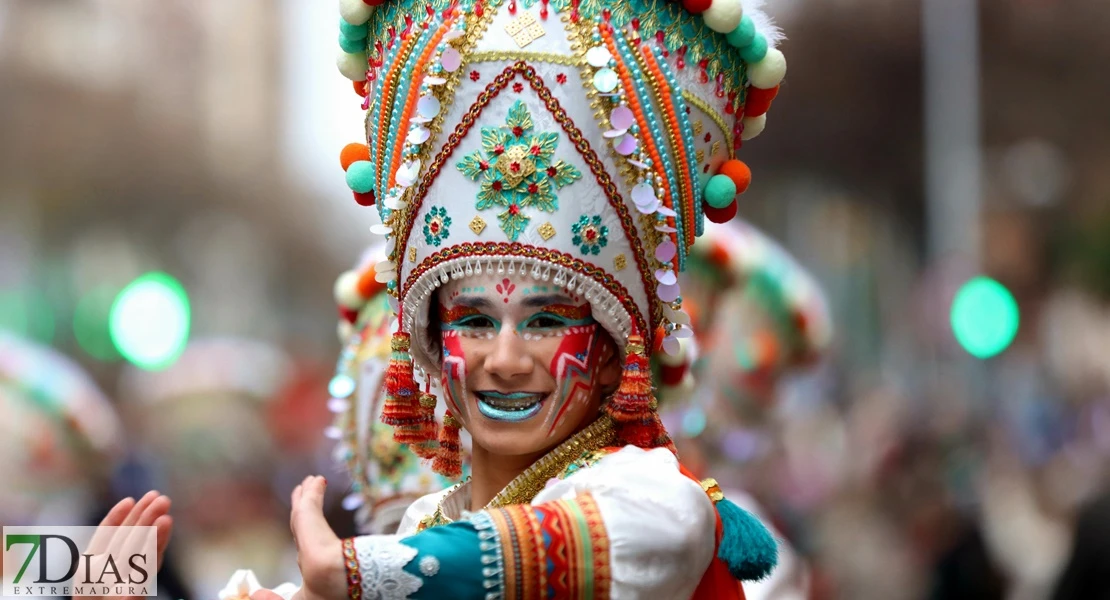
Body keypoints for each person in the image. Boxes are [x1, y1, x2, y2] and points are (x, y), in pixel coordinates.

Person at [107, 0, 794, 596]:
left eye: (547, 321)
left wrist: (357, 574)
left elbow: (574, 547)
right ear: (432, 347)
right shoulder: (425, 523)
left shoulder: (654, 502)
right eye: (472, 321)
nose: (504, 358)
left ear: (618, 354)